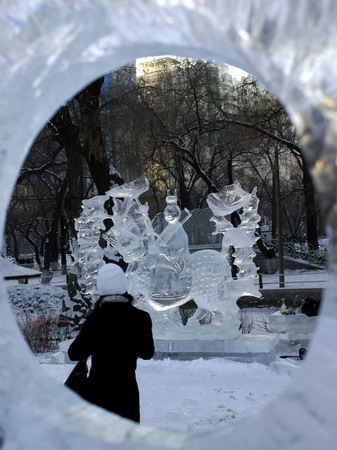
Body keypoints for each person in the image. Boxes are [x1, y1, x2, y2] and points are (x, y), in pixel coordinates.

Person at [68, 263, 155, 423]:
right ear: (124, 286)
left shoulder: (94, 319)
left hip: (98, 391)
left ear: (101, 288)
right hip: (127, 391)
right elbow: (147, 353)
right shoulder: (141, 318)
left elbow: (74, 354)